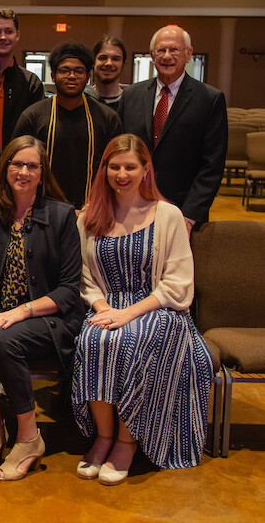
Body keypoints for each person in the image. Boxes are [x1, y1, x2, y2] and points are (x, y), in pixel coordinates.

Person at [72, 133, 212, 484]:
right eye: (115, 166)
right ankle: (103, 437)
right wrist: (104, 308)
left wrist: (128, 313)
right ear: (104, 170)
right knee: (94, 341)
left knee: (132, 341)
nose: (123, 174)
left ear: (145, 170)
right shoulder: (90, 216)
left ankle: (126, 441)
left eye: (131, 167)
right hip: (108, 306)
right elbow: (84, 278)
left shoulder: (168, 215)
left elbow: (178, 283)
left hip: (160, 309)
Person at [0, 135, 82, 482]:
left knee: (3, 340)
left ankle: (30, 438)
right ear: (5, 169)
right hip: (1, 314)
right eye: (16, 164)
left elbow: (68, 291)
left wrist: (20, 312)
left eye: (32, 165)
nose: (23, 171)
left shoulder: (62, 216)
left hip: (50, 320)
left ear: (42, 172)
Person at [118, 25, 228, 235]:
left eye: (174, 50)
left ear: (188, 54)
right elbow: (121, 152)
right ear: (152, 56)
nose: (167, 56)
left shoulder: (209, 99)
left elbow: (212, 164)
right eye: (161, 50)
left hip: (184, 211)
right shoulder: (131, 95)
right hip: (132, 206)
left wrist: (189, 215)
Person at [13, 41, 122, 210]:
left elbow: (116, 168)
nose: (72, 76)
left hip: (92, 209)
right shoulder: (33, 116)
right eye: (64, 70)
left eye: (79, 71)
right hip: (40, 210)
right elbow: (16, 165)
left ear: (88, 77)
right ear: (53, 75)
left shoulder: (107, 118)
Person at [0, 8, 45, 149]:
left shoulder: (31, 84)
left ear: (17, 35)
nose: (3, 37)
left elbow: (37, 133)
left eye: (9, 32)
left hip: (18, 163)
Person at [85, 35, 129, 107]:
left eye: (115, 59)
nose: (109, 63)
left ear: (123, 65)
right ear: (93, 62)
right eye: (103, 58)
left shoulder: (132, 101)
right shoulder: (81, 100)